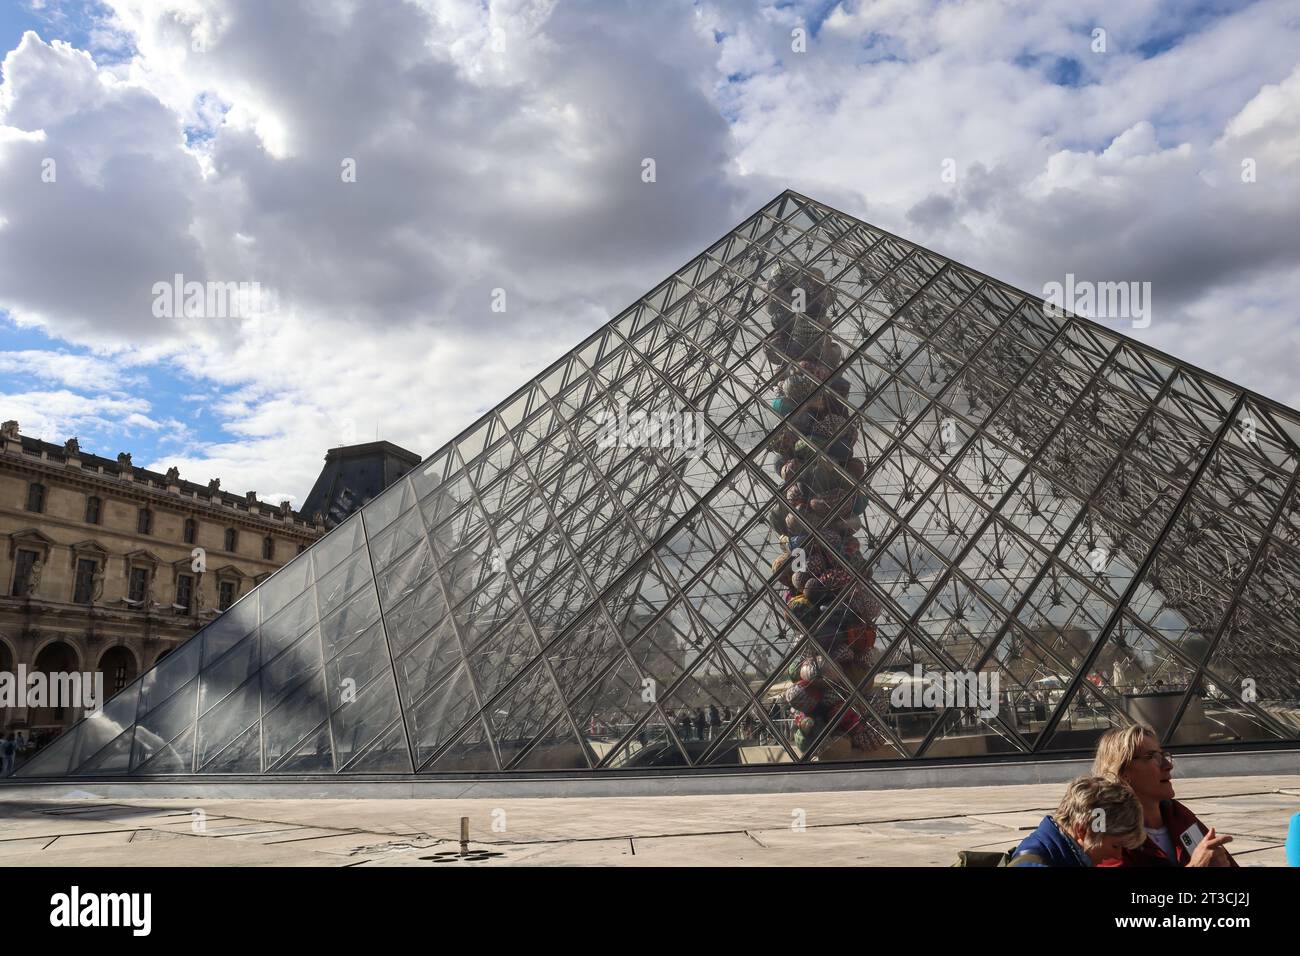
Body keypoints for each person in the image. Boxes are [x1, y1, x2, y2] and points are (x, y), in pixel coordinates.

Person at [1093, 724, 1236, 867]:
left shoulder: (1178, 815)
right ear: (1122, 772)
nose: (1168, 765)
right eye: (1151, 756)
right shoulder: (1107, 833)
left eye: (1162, 755)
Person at [1009, 775, 1146, 867]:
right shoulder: (1035, 862)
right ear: (1082, 830)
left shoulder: (1061, 854)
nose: (1118, 855)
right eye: (1116, 846)